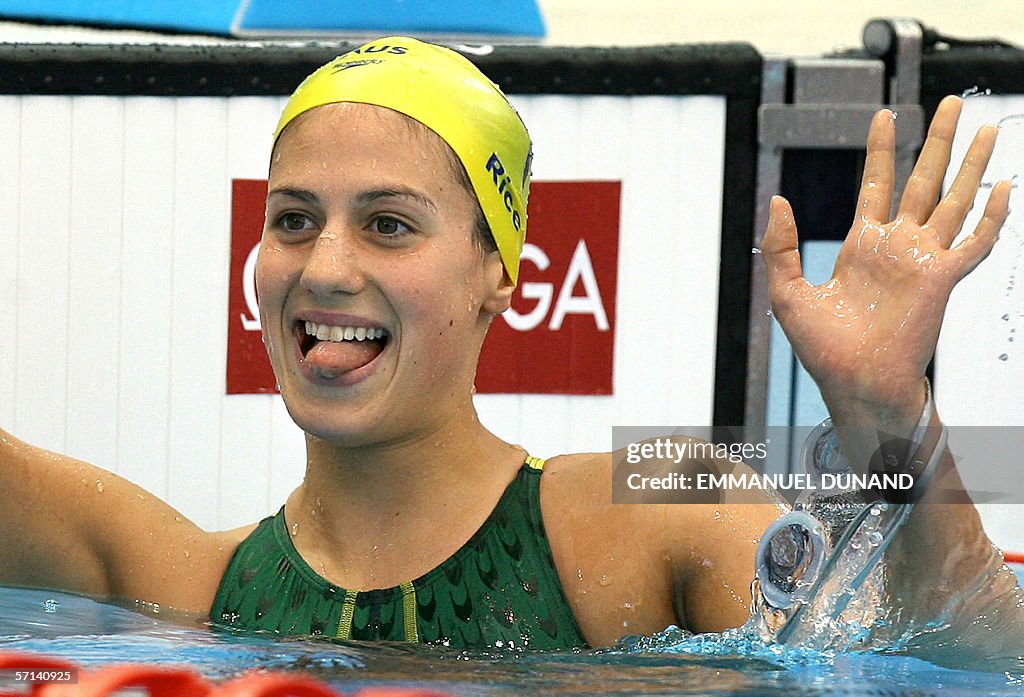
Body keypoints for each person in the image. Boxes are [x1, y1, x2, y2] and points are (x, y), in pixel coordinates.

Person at [0, 36, 1021, 661]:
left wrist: (899, 426)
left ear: (503, 269)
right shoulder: (191, 587)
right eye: (294, 219)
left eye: (389, 224)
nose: (325, 267)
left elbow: (970, 664)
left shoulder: (649, 512)